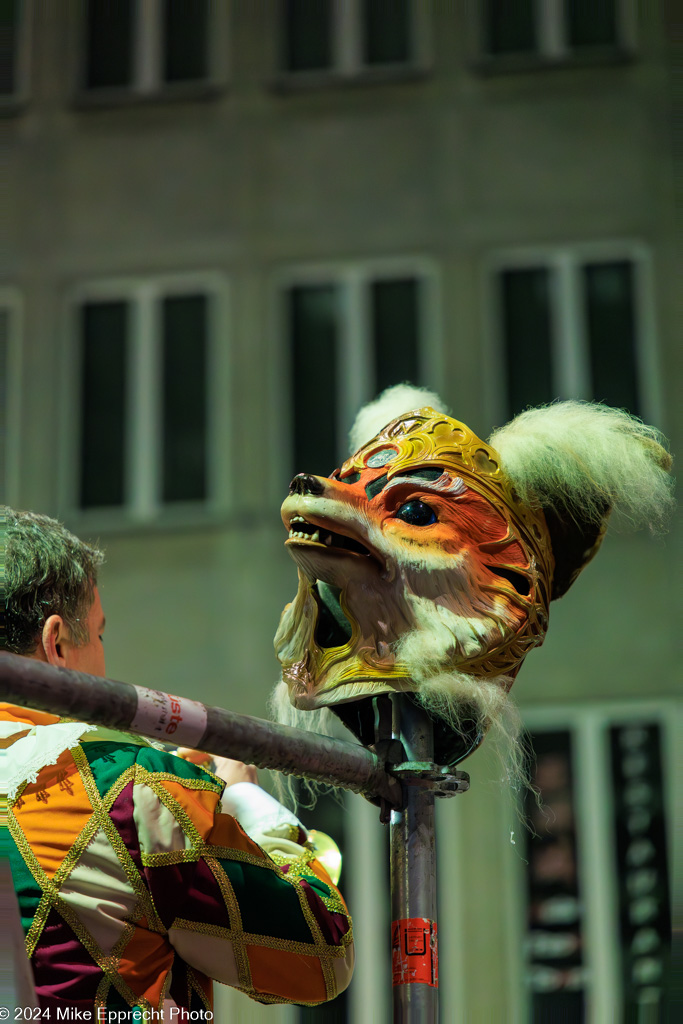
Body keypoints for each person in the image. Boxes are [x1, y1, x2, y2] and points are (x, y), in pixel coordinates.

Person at [0, 507, 354, 1016]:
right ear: (56, 643)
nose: (104, 656)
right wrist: (240, 800)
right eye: (99, 635)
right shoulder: (133, 783)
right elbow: (322, 955)